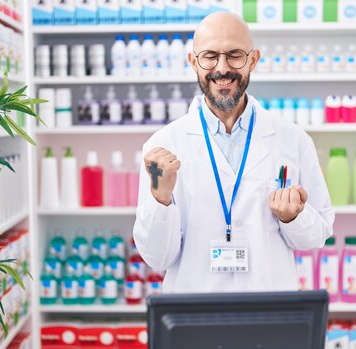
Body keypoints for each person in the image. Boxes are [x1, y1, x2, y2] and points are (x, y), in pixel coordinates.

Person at [133, 12, 334, 293]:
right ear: (193, 62)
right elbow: (156, 258)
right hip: (195, 314)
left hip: (267, 310)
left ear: (253, 59)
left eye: (235, 55)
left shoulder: (293, 140)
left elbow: (316, 237)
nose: (222, 68)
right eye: (210, 56)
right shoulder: (163, 145)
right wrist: (160, 199)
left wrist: (293, 217)